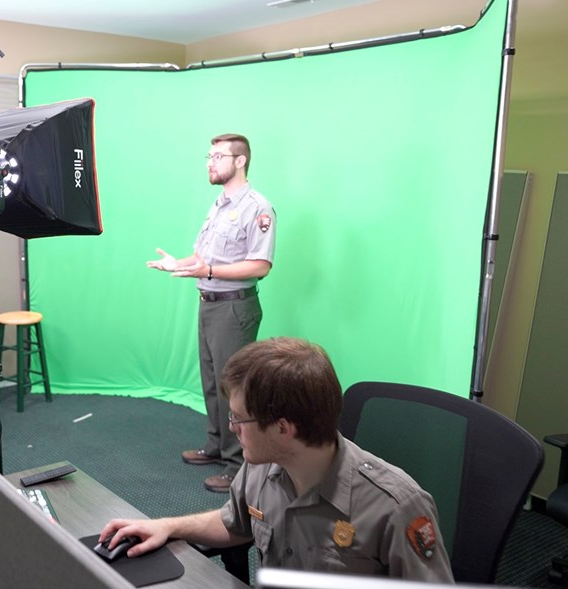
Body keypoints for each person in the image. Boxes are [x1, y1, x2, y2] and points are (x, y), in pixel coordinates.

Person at [99, 337, 455, 583]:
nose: (231, 427)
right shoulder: (260, 468)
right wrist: (168, 526)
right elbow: (234, 525)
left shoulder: (395, 507)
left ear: (283, 428)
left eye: (239, 418)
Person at [147, 133, 275, 493]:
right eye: (209, 155)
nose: (209, 162)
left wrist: (209, 272)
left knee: (234, 387)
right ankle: (217, 445)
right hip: (209, 305)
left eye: (217, 156)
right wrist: (178, 263)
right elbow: (204, 258)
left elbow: (260, 265)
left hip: (235, 308)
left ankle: (238, 466)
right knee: (211, 382)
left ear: (240, 161)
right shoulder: (218, 205)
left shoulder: (257, 208)